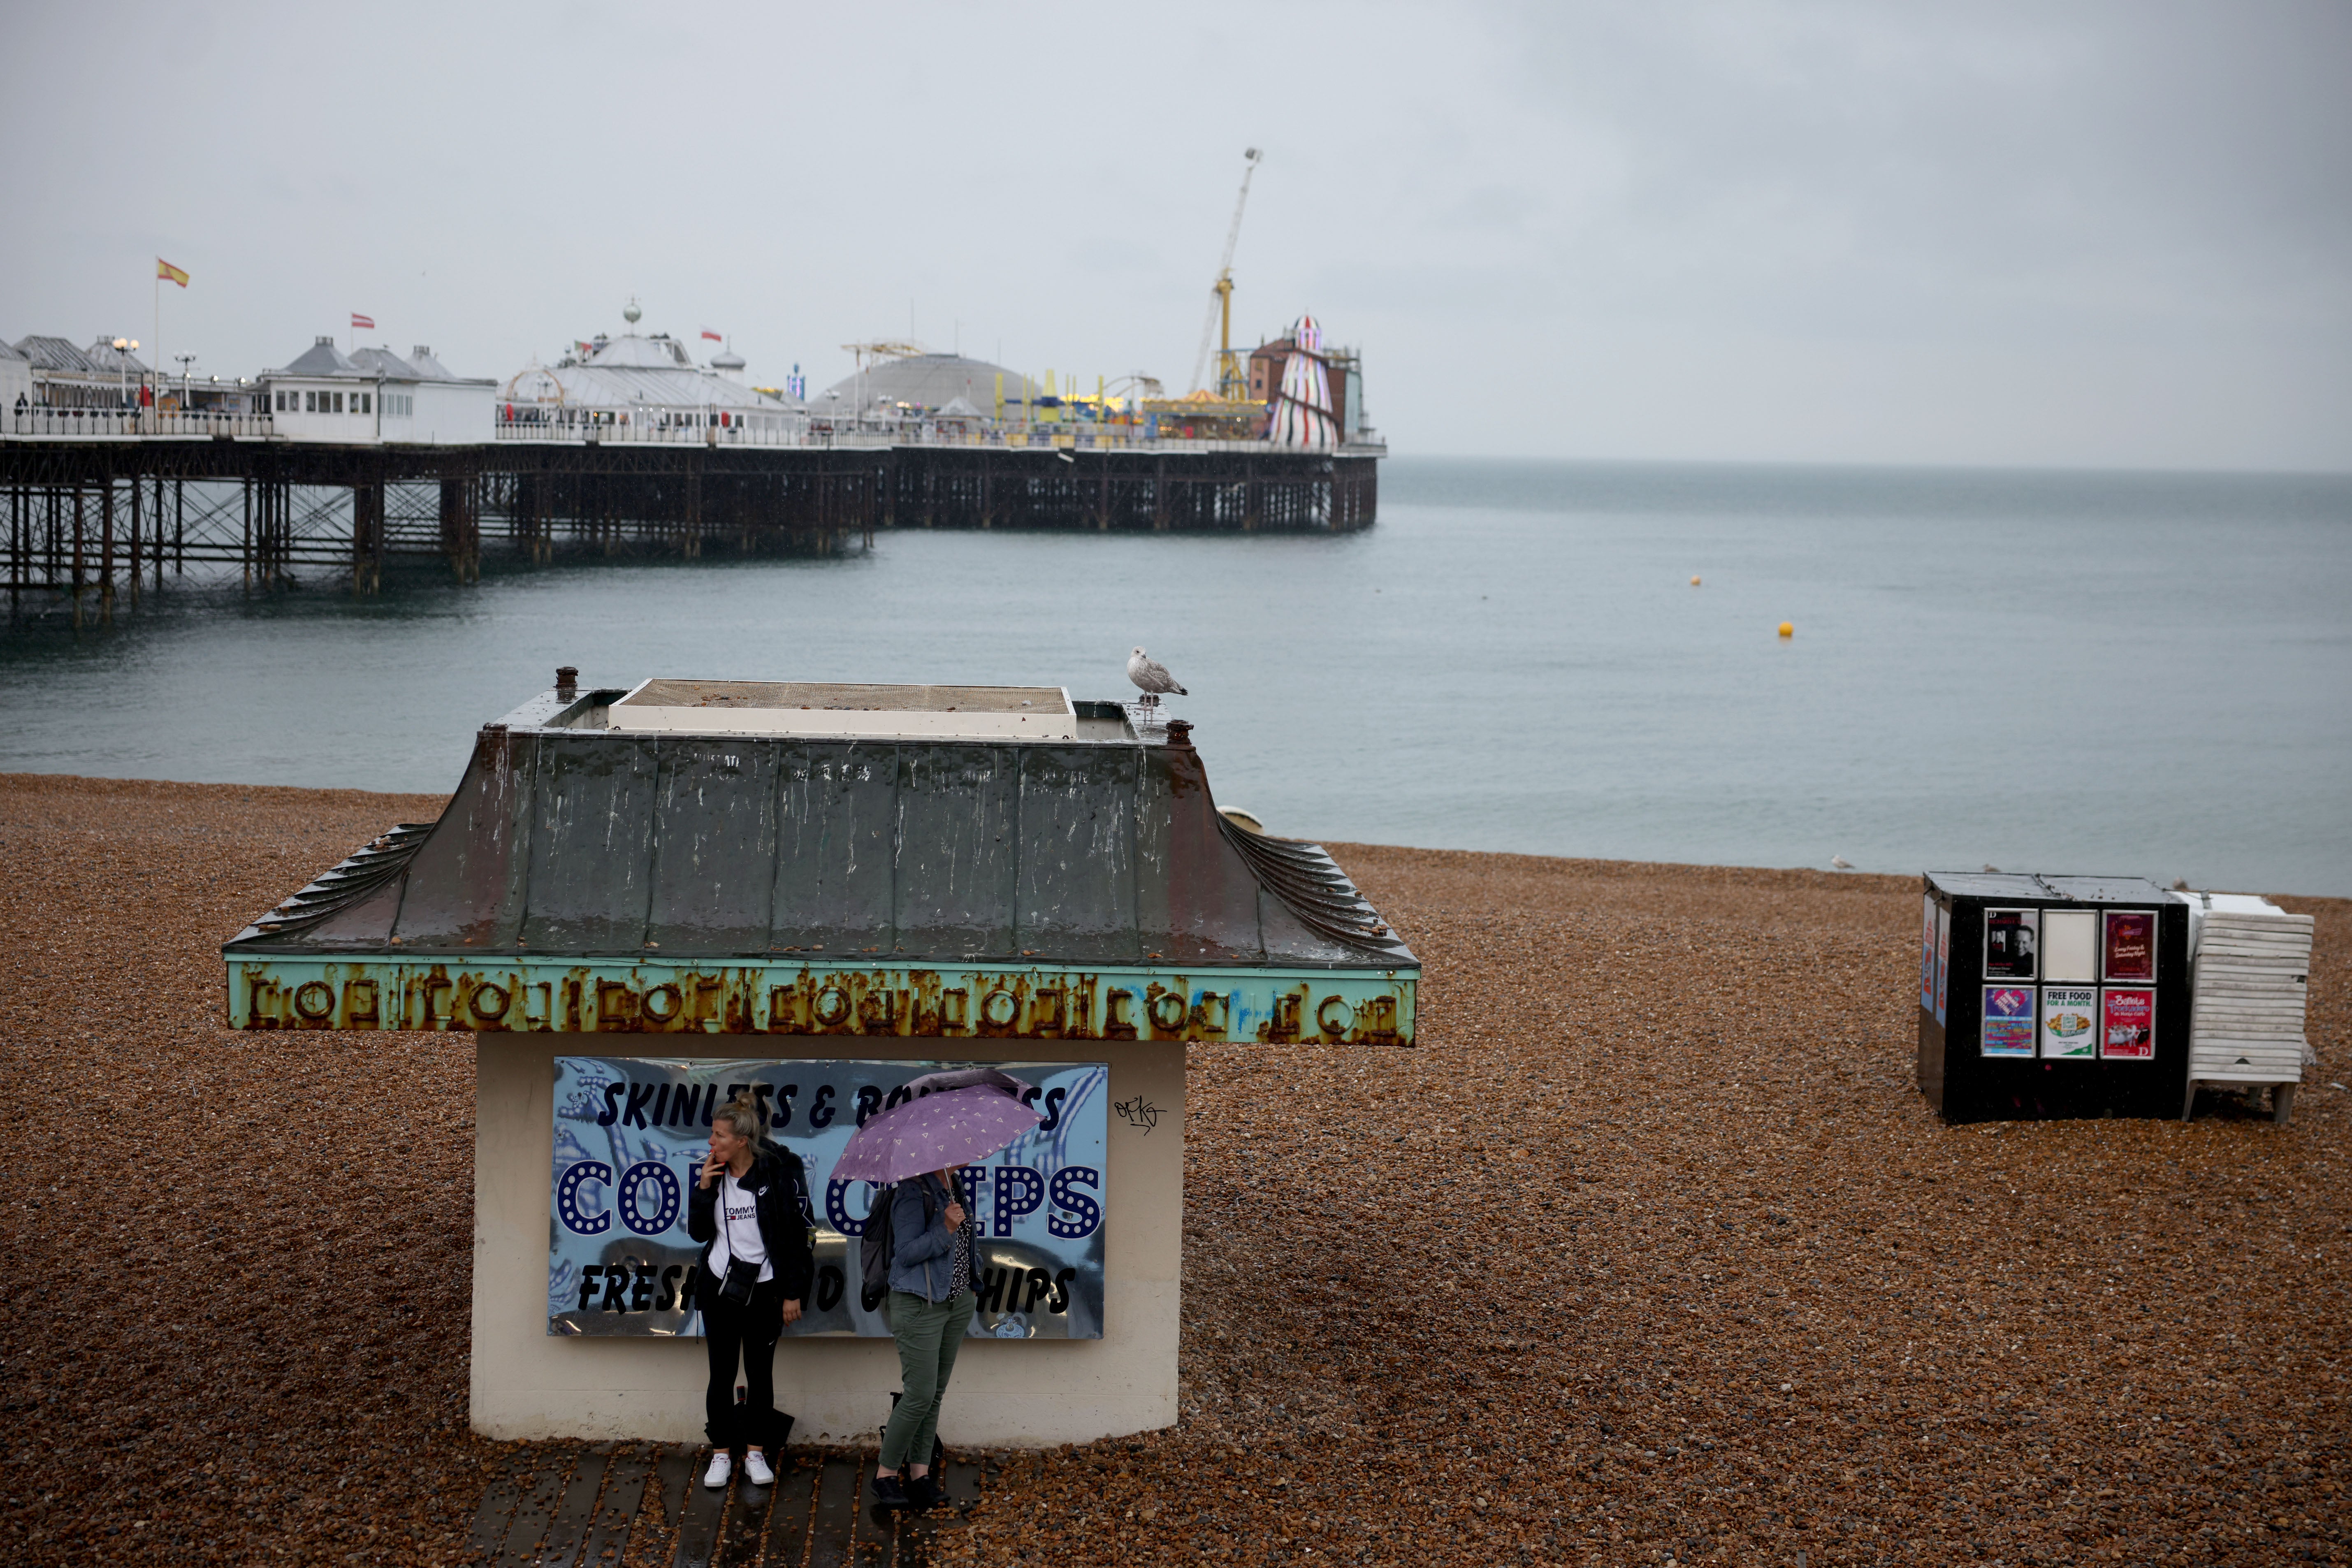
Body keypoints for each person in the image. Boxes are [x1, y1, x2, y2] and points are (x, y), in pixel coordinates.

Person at [687, 1092, 814, 1491]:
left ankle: (756, 1452)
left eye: (719, 1135)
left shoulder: (773, 1175)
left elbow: (795, 1237)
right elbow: (698, 1232)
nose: (712, 1142)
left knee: (761, 1373)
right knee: (721, 1373)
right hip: (720, 1288)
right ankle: (722, 1453)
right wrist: (704, 1187)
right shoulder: (714, 1174)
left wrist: (793, 1292)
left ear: (741, 1140)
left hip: (765, 1291)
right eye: (712, 1134)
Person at [871, 1169, 977, 1508]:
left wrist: (973, 1282)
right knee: (919, 1394)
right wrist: (944, 1228)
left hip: (956, 1302)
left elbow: (965, 1245)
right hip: (920, 1303)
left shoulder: (954, 1185)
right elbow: (905, 1253)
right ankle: (885, 1475)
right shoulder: (911, 1192)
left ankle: (920, 1475)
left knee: (935, 1394)